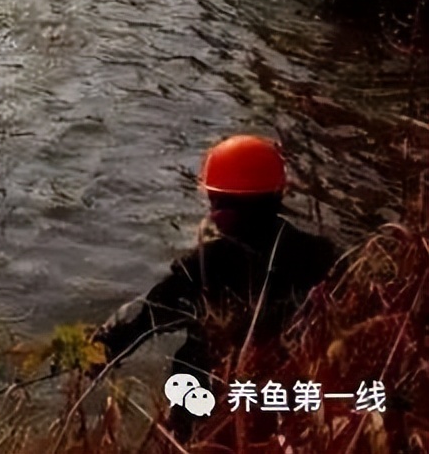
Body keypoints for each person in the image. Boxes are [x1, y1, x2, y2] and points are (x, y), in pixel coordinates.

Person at [91, 135, 336, 432]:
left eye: (214, 200)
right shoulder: (322, 255)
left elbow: (150, 312)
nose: (210, 211)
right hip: (284, 405)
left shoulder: (207, 265)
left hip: (209, 412)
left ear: (229, 206)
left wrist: (103, 346)